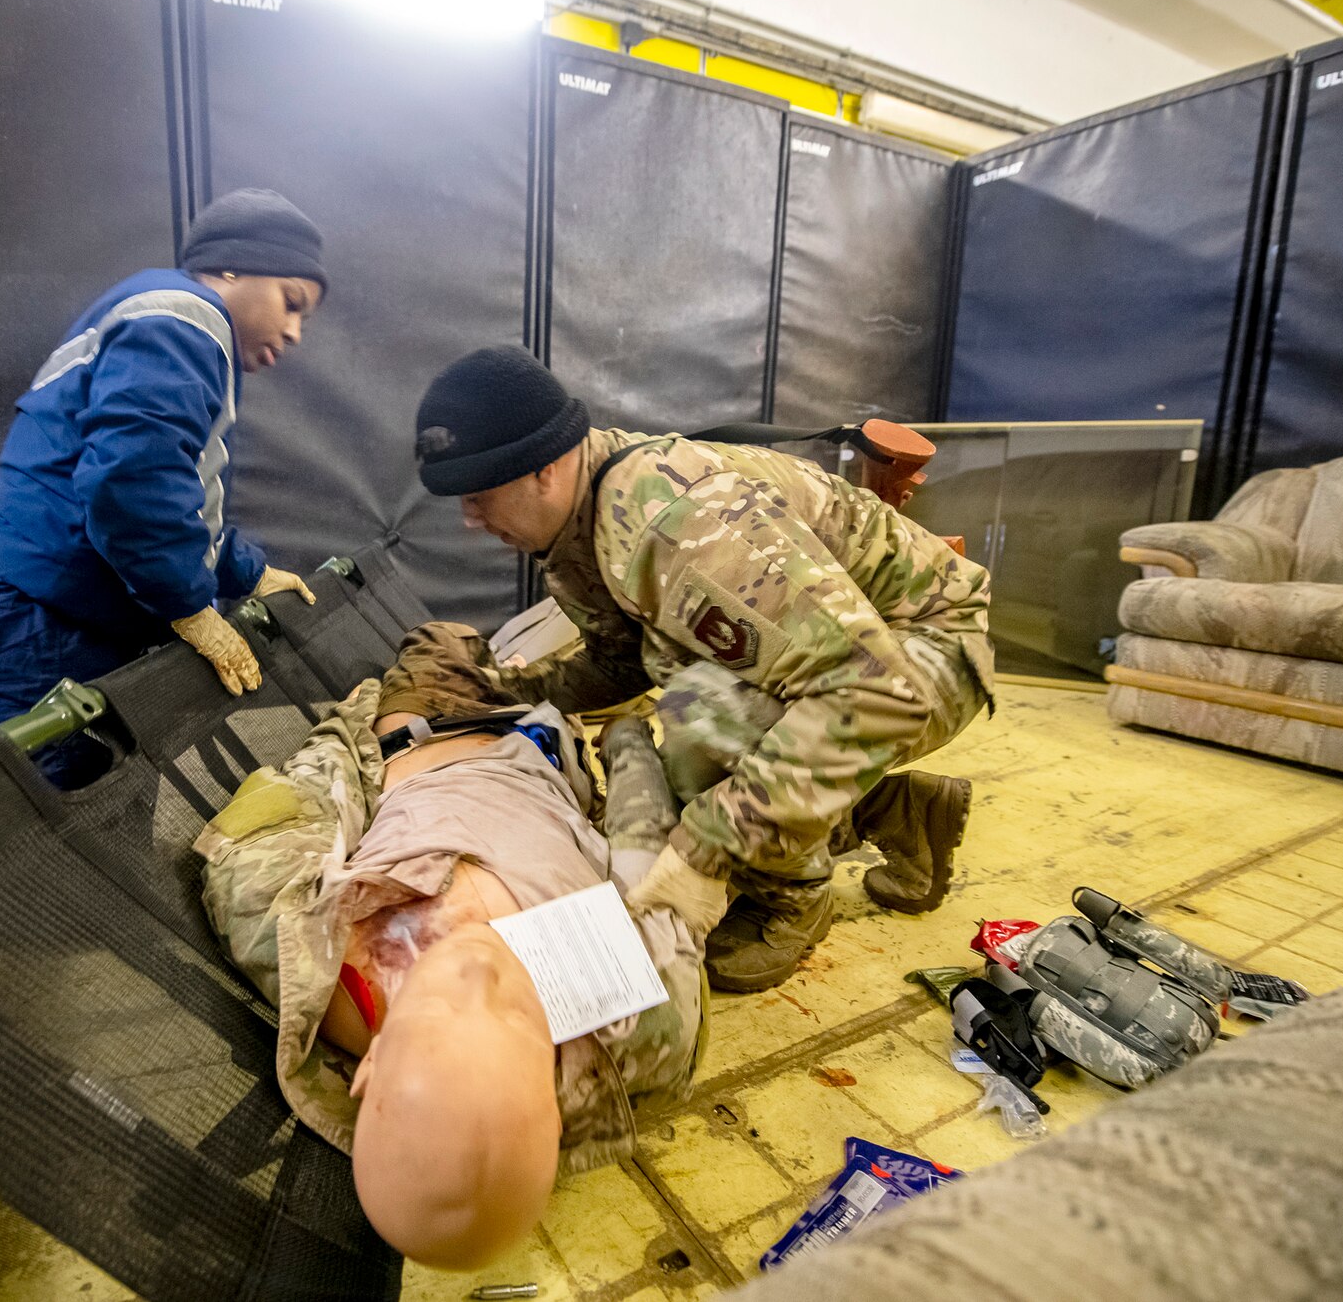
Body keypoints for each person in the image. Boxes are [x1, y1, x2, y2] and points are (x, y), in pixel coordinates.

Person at [411, 346, 995, 992]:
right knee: (698, 709)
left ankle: (792, 899)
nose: (469, 518)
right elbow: (620, 663)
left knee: (700, 721)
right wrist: (504, 691)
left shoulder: (676, 523)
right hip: (845, 659)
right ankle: (898, 812)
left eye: (480, 494)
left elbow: (877, 691)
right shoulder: (581, 527)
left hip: (926, 645)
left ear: (545, 469)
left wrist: (704, 852)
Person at [196, 624, 704, 1268]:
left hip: (426, 726)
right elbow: (648, 852)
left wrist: (354, 726)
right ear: (557, 1102)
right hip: (550, 753)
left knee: (444, 634)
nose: (477, 967)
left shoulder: (309, 958)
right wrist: (629, 741)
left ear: (370, 1069)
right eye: (519, 1017)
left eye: (436, 1011)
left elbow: (284, 811)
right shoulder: (638, 1024)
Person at [0, 189, 327, 781]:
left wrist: (243, 571)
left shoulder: (172, 327)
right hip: (38, 643)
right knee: (52, 856)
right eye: (291, 301)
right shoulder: (183, 320)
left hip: (56, 630)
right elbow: (132, 481)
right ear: (231, 265)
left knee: (96, 834)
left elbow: (178, 487)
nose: (297, 331)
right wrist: (188, 606)